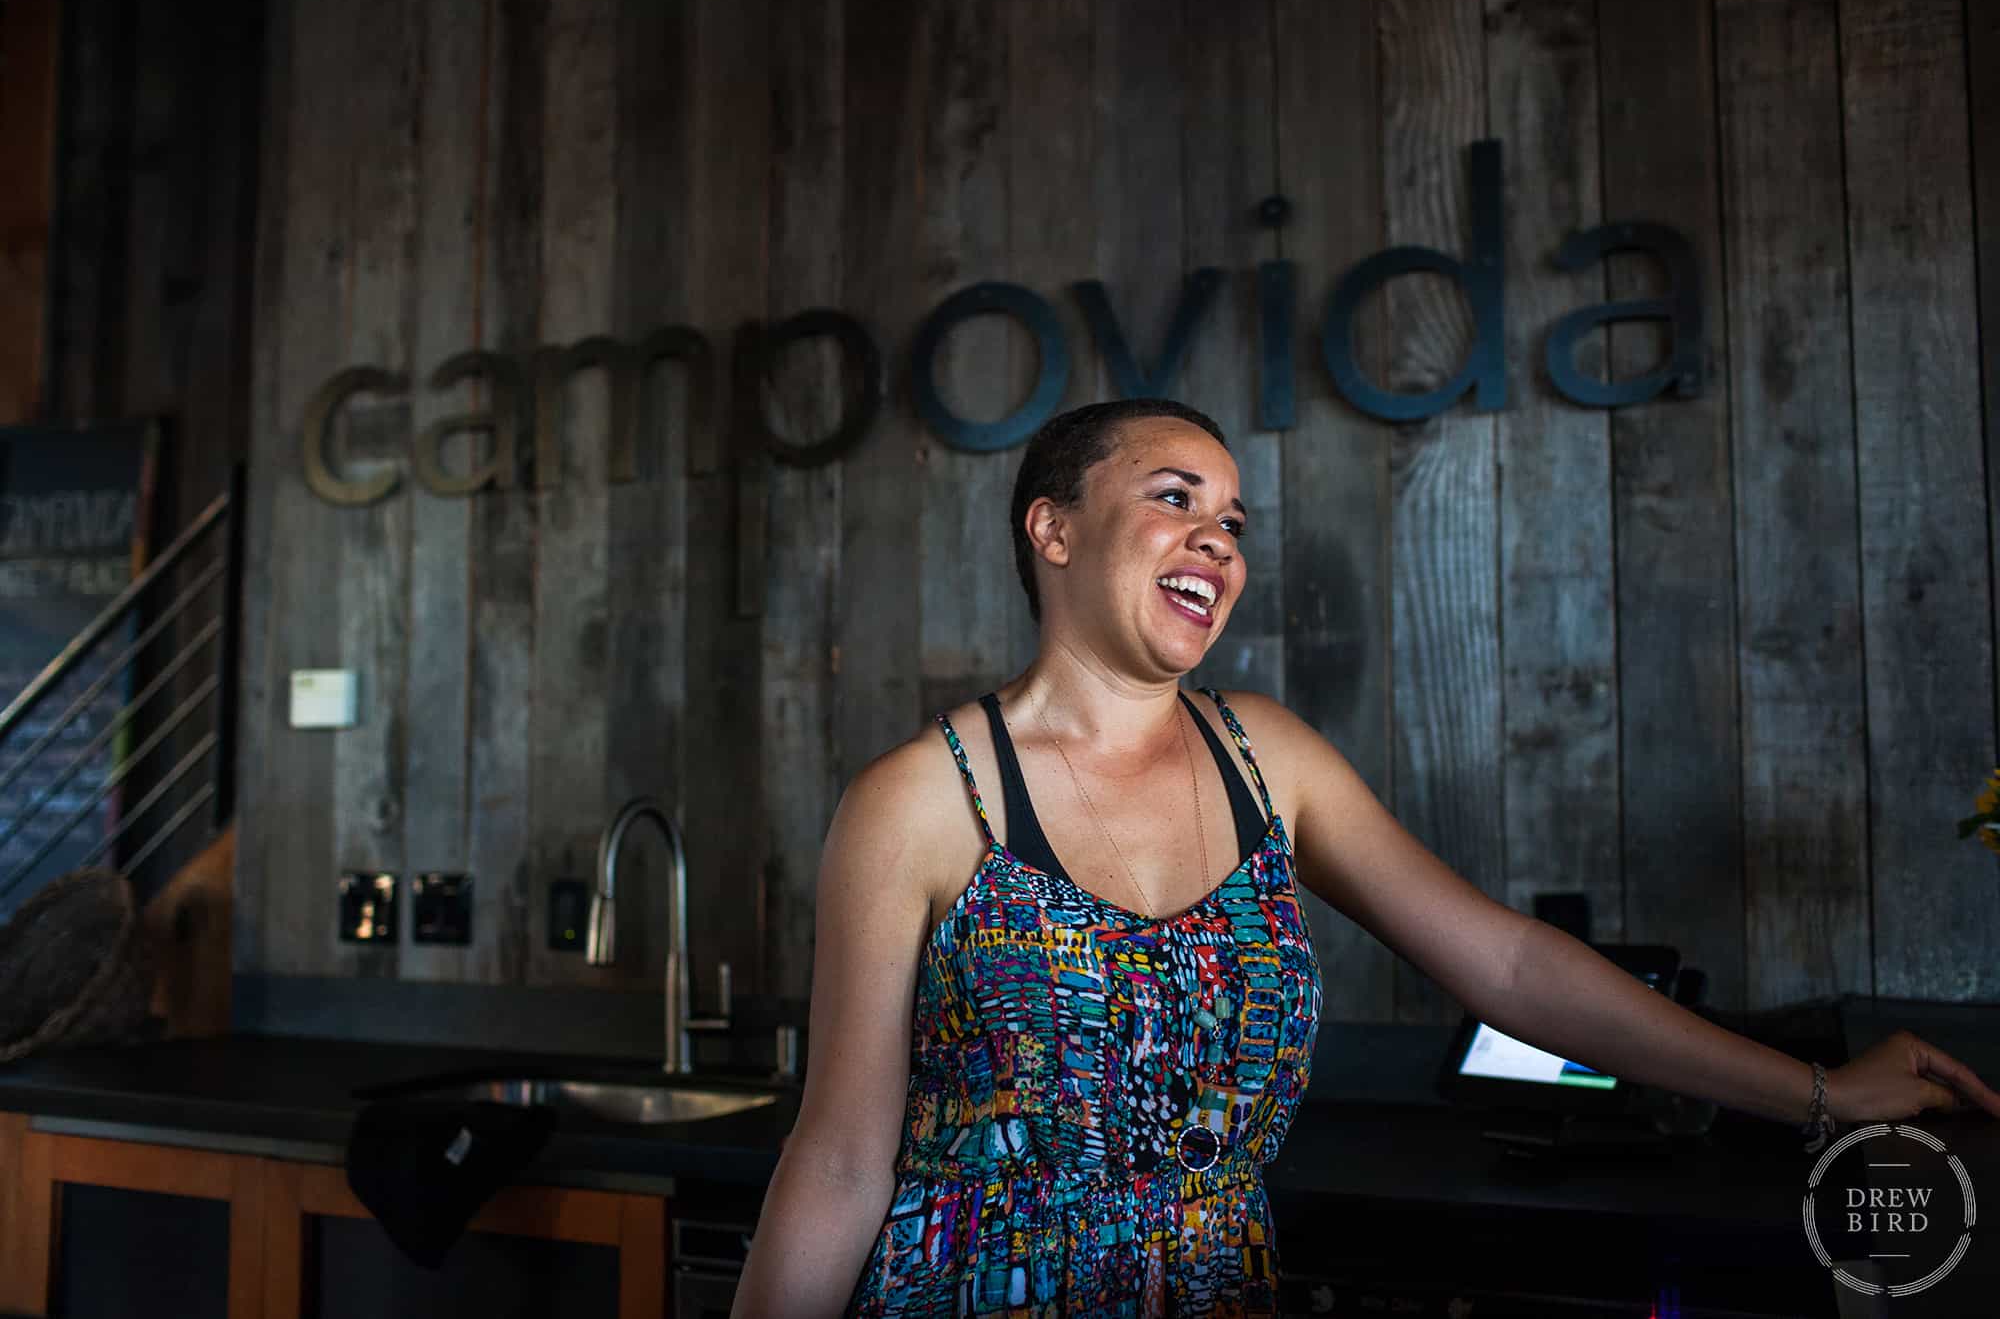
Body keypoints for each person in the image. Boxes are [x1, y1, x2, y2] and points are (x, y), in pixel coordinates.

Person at [730, 397, 2000, 1317]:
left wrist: (1820, 1092)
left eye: (1232, 518)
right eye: (1172, 497)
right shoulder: (918, 803)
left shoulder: (1268, 761)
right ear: (1051, 530)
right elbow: (840, 1157)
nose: (1216, 538)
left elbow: (1509, 966)